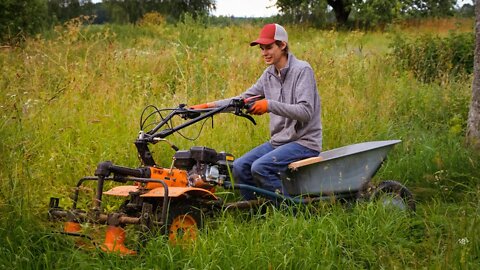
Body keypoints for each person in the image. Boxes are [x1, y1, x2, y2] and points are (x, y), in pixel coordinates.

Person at [191, 23, 322, 200]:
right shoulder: (268, 75)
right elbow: (241, 99)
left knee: (260, 167)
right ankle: (256, 210)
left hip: (304, 142)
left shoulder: (302, 70)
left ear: (282, 45)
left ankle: (291, 212)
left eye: (269, 47)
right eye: (262, 48)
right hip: (279, 142)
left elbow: (305, 111)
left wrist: (269, 105)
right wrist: (206, 107)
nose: (264, 53)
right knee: (239, 166)